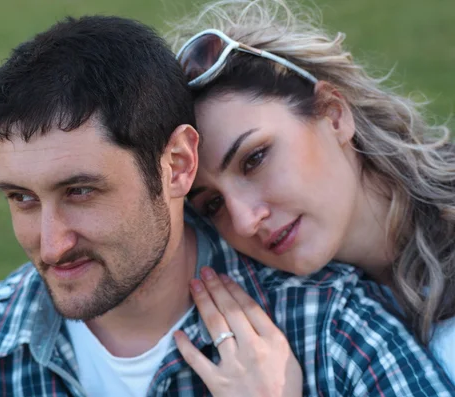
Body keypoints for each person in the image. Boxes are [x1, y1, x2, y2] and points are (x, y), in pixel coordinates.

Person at [0, 14, 455, 397]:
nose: (51, 242)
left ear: (334, 114)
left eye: (256, 158)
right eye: (21, 198)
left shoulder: (332, 325)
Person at [171, 0, 455, 383]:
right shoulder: (300, 322)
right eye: (213, 204)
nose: (244, 220)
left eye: (254, 159)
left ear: (334, 114)